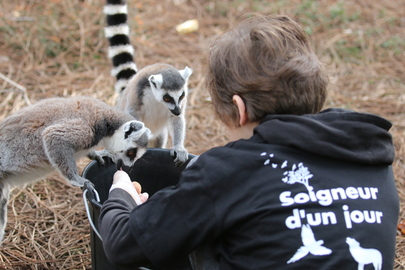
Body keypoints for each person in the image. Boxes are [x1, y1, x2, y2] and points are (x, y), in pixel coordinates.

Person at [99, 14, 399, 269]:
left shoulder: (227, 171)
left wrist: (121, 194)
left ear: (239, 110)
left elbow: (121, 245)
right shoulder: (368, 154)